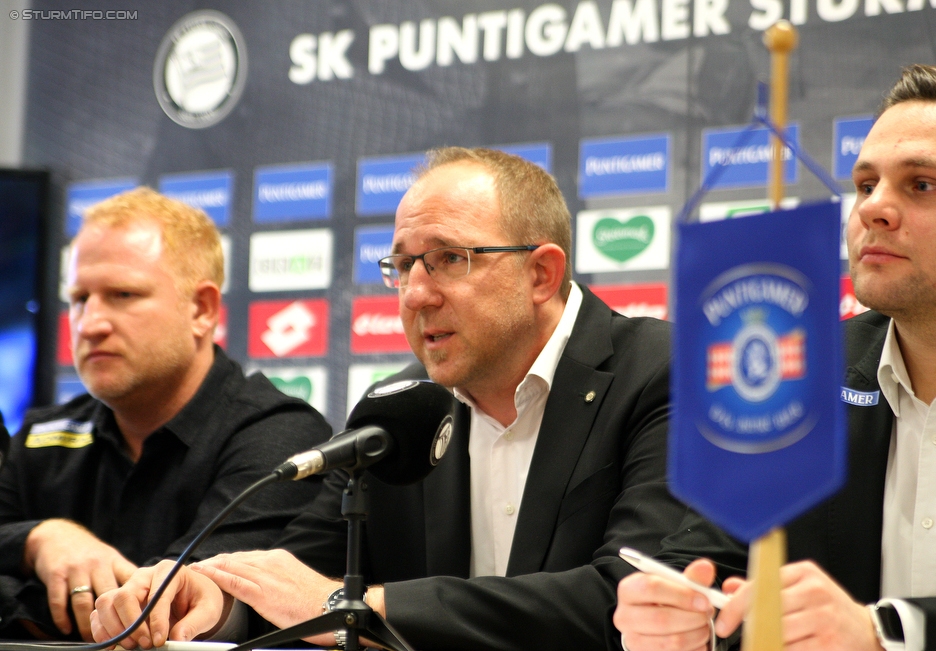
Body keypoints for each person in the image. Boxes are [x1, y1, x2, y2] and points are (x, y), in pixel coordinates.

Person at [91, 148, 686, 651]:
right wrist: (217, 600)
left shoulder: (661, 372)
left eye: (450, 259)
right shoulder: (400, 410)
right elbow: (301, 575)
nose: (416, 294)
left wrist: (359, 607)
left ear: (541, 275)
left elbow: (637, 598)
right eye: (401, 266)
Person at [614, 63, 936, 651]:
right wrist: (679, 617)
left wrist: (884, 632)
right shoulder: (799, 368)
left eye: (922, 185)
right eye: (864, 186)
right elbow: (709, 561)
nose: (872, 210)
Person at [0, 188, 330, 641]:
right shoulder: (41, 434)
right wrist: (41, 539)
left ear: (202, 309)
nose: (90, 323)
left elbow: (172, 607)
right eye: (79, 298)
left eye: (122, 294)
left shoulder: (280, 436)